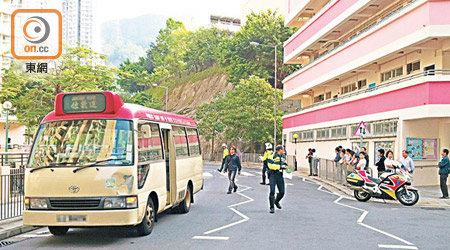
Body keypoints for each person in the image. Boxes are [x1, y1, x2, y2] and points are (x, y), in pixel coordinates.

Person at [267, 145, 288, 214]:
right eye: (283, 150)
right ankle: (271, 207)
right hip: (273, 174)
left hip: (280, 175)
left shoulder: (283, 156)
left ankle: (276, 202)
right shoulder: (272, 155)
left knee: (282, 192)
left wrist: (285, 166)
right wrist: (280, 167)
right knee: (272, 191)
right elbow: (270, 165)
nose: (284, 151)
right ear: (280, 150)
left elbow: (284, 162)